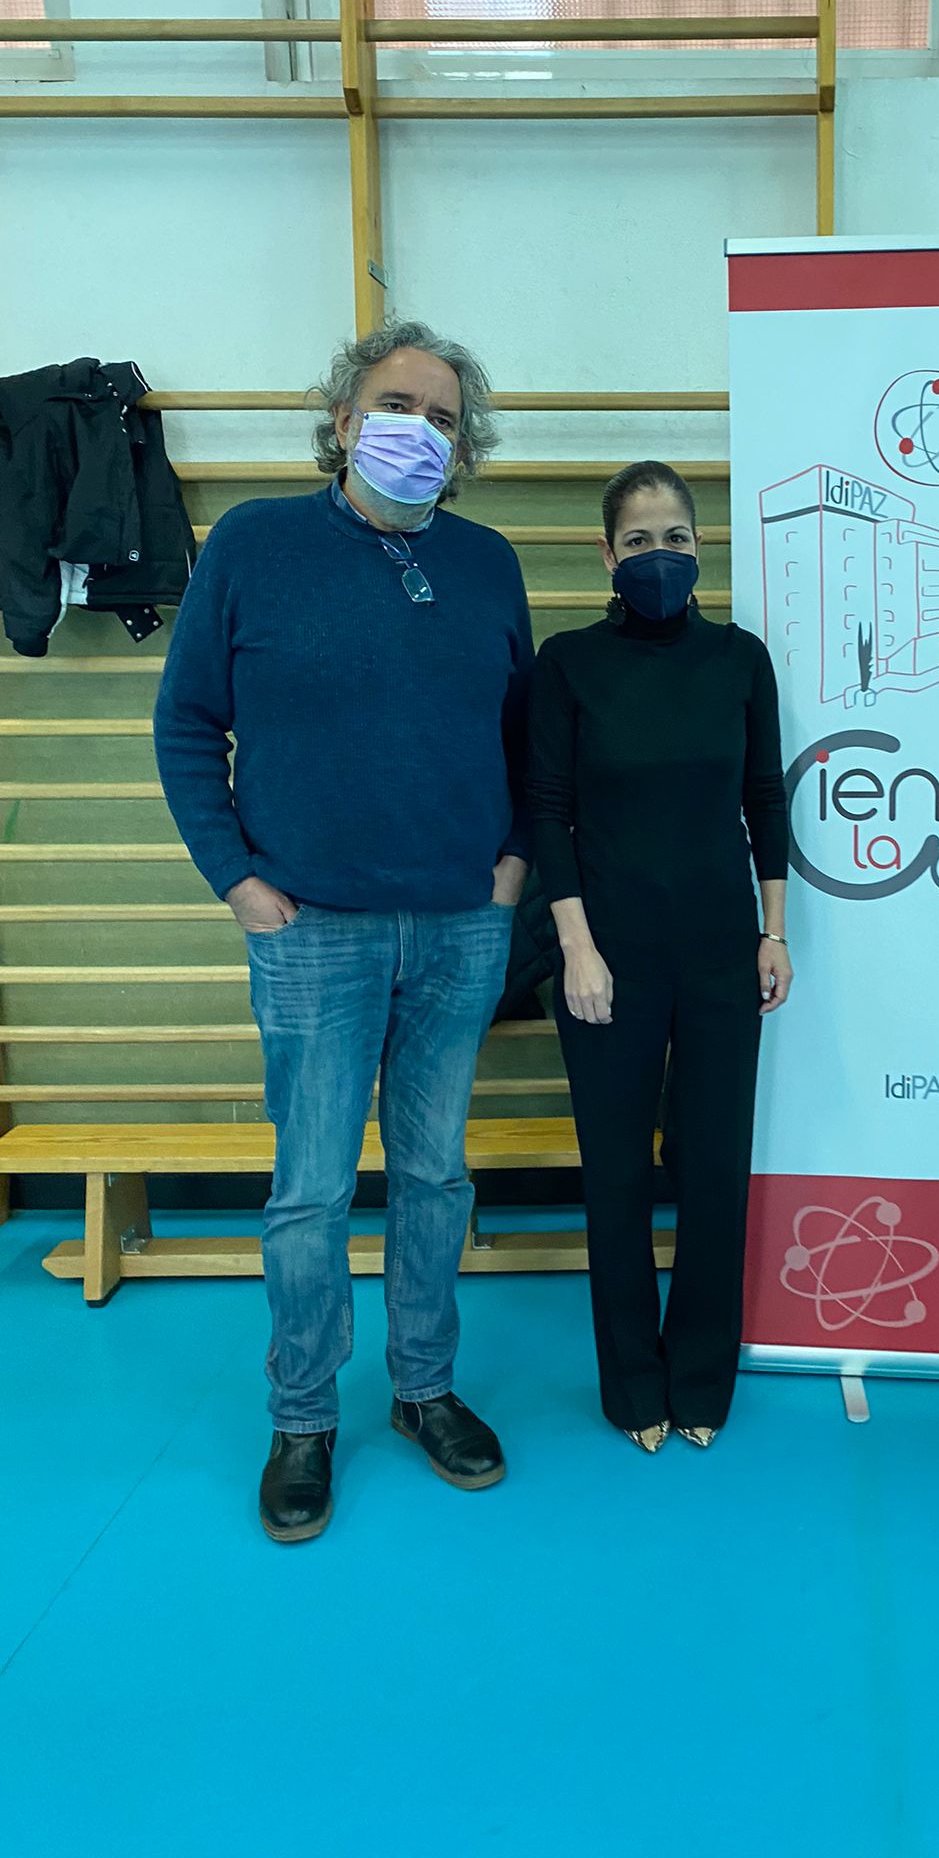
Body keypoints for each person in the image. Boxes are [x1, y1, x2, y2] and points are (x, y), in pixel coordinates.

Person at [154, 318, 533, 1543]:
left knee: (433, 1175)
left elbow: (526, 736)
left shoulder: (488, 564)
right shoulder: (254, 543)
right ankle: (303, 1415)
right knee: (311, 1189)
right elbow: (186, 720)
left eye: (443, 416)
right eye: (396, 404)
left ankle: (424, 1388)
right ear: (342, 418)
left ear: (465, 448)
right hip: (312, 929)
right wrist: (235, 879)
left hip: (460, 927)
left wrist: (511, 867)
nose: (418, 429)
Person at [529, 461, 791, 1452]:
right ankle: (634, 1384)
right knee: (617, 1177)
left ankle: (702, 1379)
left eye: (674, 537)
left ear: (700, 545)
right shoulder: (568, 663)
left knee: (715, 1170)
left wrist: (773, 931)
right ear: (607, 554)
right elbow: (548, 809)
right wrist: (577, 948)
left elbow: (764, 798)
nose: (659, 555)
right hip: (607, 957)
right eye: (638, 540)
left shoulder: (740, 659)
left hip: (723, 952)